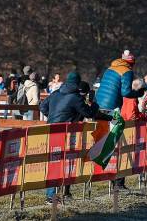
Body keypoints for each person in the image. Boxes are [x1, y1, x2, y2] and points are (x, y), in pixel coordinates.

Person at [40, 71, 111, 201]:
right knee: (66, 161)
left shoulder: (55, 93)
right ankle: (56, 195)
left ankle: (52, 195)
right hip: (66, 132)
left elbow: (42, 107)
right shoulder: (75, 97)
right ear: (77, 83)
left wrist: (52, 117)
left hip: (51, 130)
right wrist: (94, 102)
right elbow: (89, 113)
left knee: (54, 161)